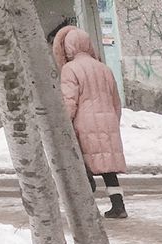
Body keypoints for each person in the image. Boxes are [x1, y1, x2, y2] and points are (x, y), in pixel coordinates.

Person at [53, 24, 127, 219]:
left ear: (68, 47)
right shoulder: (104, 68)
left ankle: (85, 208)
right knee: (107, 166)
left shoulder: (70, 69)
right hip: (108, 120)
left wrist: (64, 125)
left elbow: (69, 101)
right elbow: (115, 100)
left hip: (84, 122)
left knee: (82, 163)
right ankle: (118, 206)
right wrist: (113, 121)